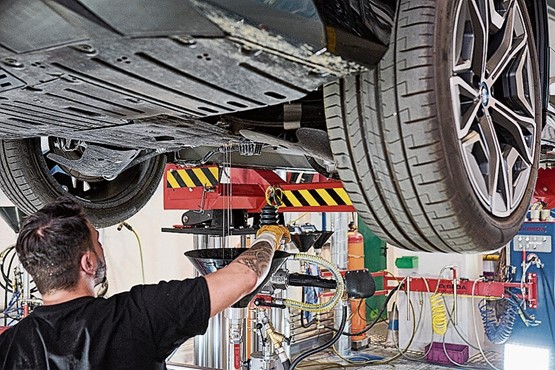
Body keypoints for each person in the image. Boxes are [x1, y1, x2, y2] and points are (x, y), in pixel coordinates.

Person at [0, 196, 289, 369]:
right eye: (98, 243)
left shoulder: (10, 346)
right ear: (87, 263)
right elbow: (246, 274)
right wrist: (269, 236)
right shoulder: (137, 315)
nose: (103, 250)